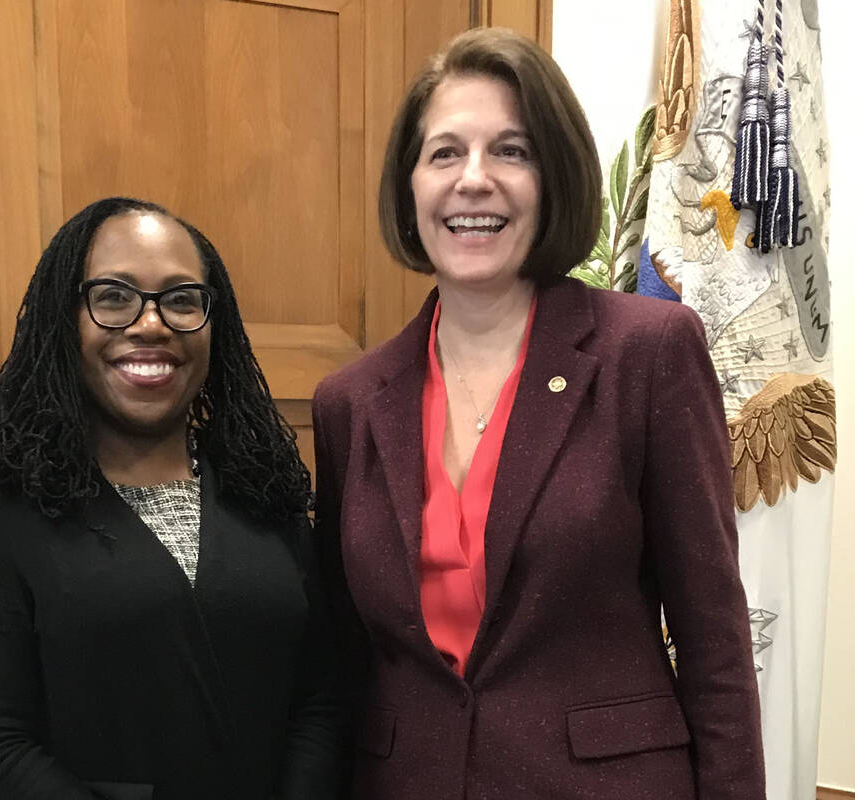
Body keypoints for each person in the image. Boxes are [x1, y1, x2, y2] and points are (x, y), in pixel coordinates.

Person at [311, 28, 764, 800]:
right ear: (409, 185)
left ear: (553, 176)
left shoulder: (645, 353)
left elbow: (714, 645)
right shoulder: (350, 402)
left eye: (511, 151)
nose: (473, 180)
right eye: (445, 153)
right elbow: (343, 665)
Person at [0, 197, 341, 800]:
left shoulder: (264, 492)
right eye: (113, 296)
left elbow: (322, 700)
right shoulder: (4, 509)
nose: (151, 324)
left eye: (181, 300)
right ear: (64, 319)